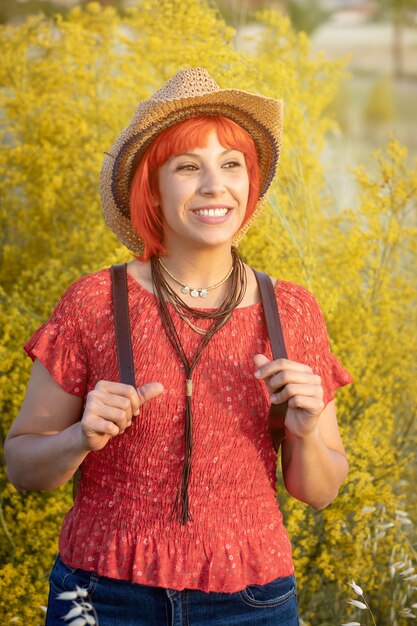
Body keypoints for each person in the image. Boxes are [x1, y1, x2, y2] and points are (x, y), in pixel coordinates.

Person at [5, 67, 352, 626]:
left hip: (253, 601)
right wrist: (78, 437)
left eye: (231, 165)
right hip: (102, 593)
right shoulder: (94, 301)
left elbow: (319, 491)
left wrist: (306, 431)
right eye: (188, 167)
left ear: (250, 184)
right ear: (153, 187)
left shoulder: (291, 310)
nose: (215, 186)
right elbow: (22, 465)